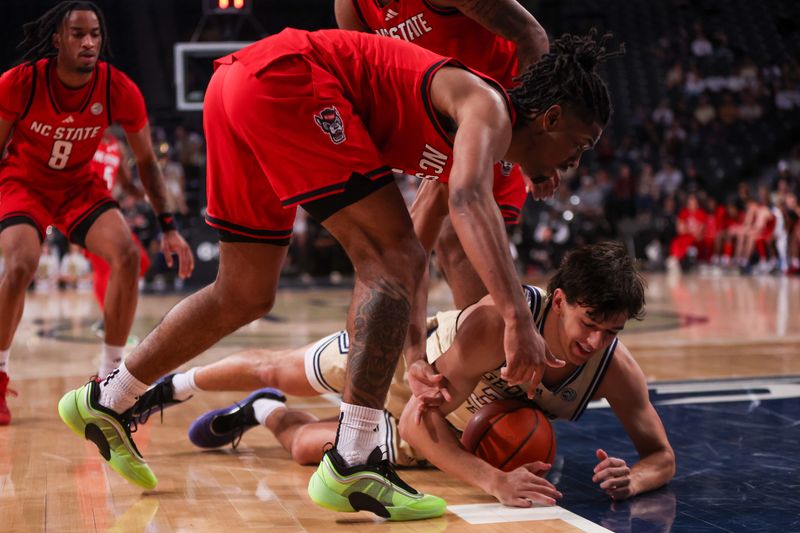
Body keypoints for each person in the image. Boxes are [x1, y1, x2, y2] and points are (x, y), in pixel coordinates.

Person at [58, 27, 619, 521]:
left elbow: (418, 250)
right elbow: (469, 205)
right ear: (551, 119)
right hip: (287, 80)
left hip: (236, 88)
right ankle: (354, 459)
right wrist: (519, 320)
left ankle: (110, 395)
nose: (577, 161)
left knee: (244, 292)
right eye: (581, 143)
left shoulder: (469, 144)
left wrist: (417, 356)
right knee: (387, 258)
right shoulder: (488, 107)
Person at [132, 241, 674, 507]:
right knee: (281, 367)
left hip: (453, 425)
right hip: (405, 371)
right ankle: (172, 386)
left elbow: (661, 454)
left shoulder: (612, 369)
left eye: (613, 332)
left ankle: (260, 410)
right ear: (559, 303)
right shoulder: (494, 327)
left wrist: (638, 477)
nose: (597, 342)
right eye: (590, 323)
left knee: (306, 451)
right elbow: (418, 418)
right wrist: (494, 481)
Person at [0, 1, 195, 425]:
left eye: (95, 35)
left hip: (77, 187)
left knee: (126, 255)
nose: (89, 42)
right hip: (24, 184)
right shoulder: (20, 83)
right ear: (57, 39)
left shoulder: (117, 88)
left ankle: (111, 376)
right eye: (77, 34)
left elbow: (146, 163)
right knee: (20, 265)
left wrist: (169, 227)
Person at [335, 0, 551, 308]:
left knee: (456, 236)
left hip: (501, 113)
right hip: (444, 122)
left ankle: (505, 339)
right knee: (404, 249)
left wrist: (532, 139)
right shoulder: (351, 6)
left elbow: (532, 35)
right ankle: (461, 342)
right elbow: (369, 78)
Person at [86, 130, 152, 345]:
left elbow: (127, 185)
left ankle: (109, 319)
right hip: (84, 211)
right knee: (104, 268)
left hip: (109, 212)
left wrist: (147, 194)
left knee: (140, 260)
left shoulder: (118, 147)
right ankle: (110, 325)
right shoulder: (85, 138)